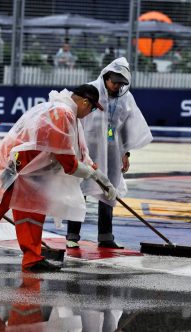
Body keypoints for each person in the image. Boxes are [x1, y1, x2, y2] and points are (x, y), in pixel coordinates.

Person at [0, 84, 117, 272]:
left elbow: (81, 154)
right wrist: (94, 175)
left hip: (32, 172)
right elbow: (69, 163)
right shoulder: (61, 114)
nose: (91, 112)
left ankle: (32, 258)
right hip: (16, 168)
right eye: (93, 108)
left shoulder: (67, 114)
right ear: (85, 102)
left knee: (33, 212)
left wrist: (102, 179)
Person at [66, 57, 153, 249]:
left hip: (112, 151)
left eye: (120, 83)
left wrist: (125, 153)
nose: (116, 86)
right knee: (80, 191)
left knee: (109, 191)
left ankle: (105, 236)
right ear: (106, 77)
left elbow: (127, 126)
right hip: (87, 149)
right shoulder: (89, 92)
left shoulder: (126, 99)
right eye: (114, 82)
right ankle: (72, 235)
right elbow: (73, 119)